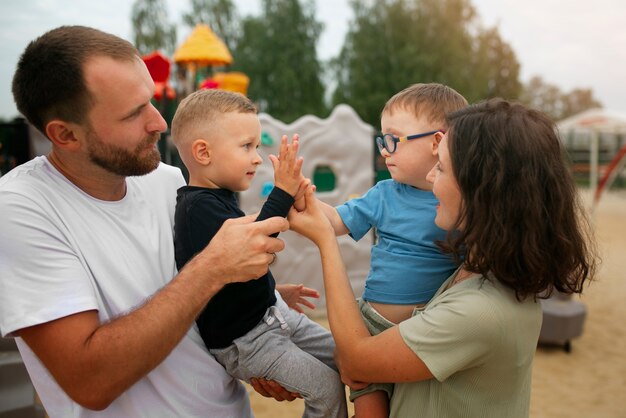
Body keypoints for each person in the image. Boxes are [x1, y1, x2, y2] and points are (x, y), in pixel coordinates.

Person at [0, 25, 292, 417]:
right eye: (134, 113)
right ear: (65, 134)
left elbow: (188, 311)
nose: (160, 122)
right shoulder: (20, 209)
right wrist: (212, 269)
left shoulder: (170, 182)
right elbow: (90, 380)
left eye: (151, 101)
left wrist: (253, 316)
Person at [287, 98, 597, 418]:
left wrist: (325, 241)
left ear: (481, 190)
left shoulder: (480, 311)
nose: (431, 177)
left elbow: (355, 361)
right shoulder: (475, 271)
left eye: (442, 167)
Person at [171, 88, 347, 418]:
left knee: (351, 356)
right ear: (203, 153)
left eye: (258, 146)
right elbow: (255, 245)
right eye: (246, 146)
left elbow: (232, 275)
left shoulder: (219, 198)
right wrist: (281, 192)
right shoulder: (196, 209)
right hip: (247, 340)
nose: (256, 157)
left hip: (273, 315)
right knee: (328, 388)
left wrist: (274, 291)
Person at [317, 83, 467, 416]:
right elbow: (336, 221)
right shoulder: (385, 193)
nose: (384, 150)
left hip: (424, 333)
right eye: (382, 140)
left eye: (393, 139)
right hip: (369, 326)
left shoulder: (461, 204)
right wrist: (301, 197)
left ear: (437, 142)